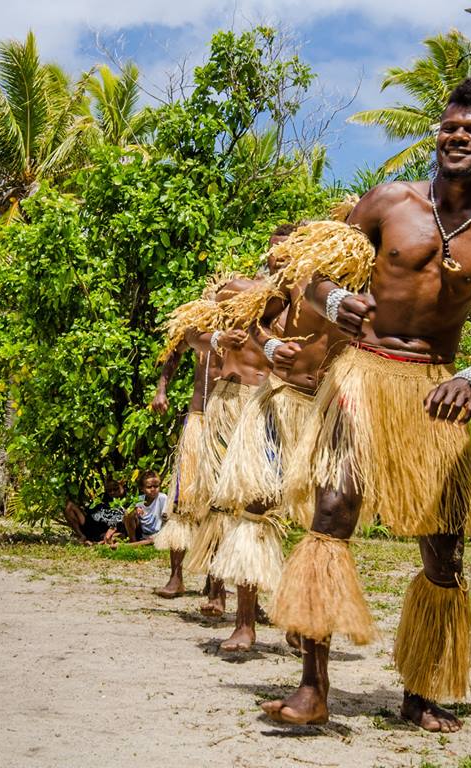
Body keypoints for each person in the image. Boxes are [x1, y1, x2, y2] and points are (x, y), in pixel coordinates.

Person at [260, 77, 471, 730]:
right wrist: (334, 302)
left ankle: (421, 691)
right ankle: (313, 688)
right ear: (438, 134)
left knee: (444, 551)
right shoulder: (390, 201)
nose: (459, 137)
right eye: (451, 127)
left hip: (436, 387)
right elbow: (312, 274)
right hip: (362, 373)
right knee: (331, 511)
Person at [208, 217, 352, 651]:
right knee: (256, 505)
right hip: (280, 400)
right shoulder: (294, 282)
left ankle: (299, 616)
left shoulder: (361, 283)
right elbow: (254, 322)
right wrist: (270, 346)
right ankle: (245, 623)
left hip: (326, 408)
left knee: (319, 519)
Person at [183, 264, 280, 619]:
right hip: (231, 399)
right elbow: (191, 334)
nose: (281, 264)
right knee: (220, 496)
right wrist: (216, 340)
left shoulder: (298, 303)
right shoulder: (236, 291)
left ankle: (250, 598)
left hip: (270, 403)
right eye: (277, 256)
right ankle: (216, 588)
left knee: (259, 503)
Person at [150, 278, 227, 598]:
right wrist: (161, 389)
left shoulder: (242, 329)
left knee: (222, 503)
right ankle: (176, 576)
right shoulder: (195, 329)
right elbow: (173, 354)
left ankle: (216, 579)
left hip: (227, 421)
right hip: (197, 420)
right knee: (183, 499)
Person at [119, 470, 167, 545]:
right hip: (144, 534)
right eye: (149, 487)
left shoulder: (162, 498)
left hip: (159, 534)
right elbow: (126, 517)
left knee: (152, 541)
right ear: (142, 488)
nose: (153, 489)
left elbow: (166, 518)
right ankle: (133, 541)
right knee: (128, 514)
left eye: (156, 486)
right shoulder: (139, 500)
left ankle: (129, 546)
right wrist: (134, 510)